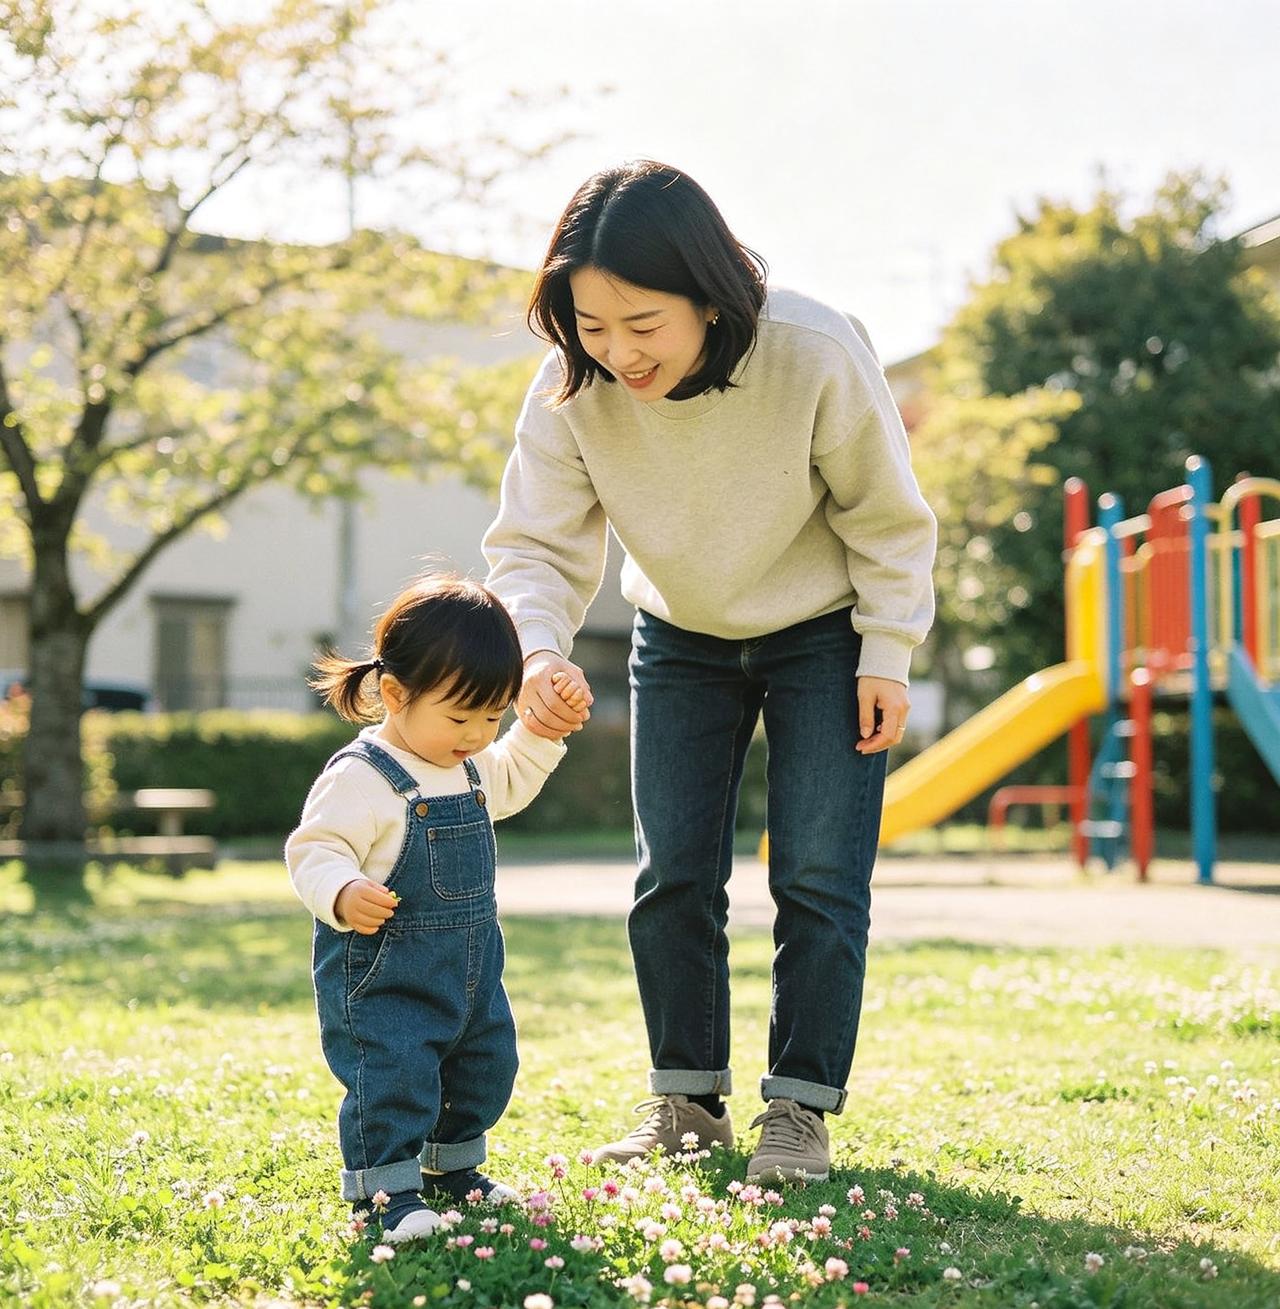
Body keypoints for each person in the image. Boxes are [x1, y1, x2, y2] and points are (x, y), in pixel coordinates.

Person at [483, 160, 936, 1184]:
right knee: (672, 874)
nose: (616, 351)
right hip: (677, 630)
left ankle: (798, 1111)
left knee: (817, 877)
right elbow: (535, 546)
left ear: (708, 290)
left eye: (640, 322)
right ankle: (684, 1106)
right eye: (590, 324)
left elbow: (884, 513)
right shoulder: (570, 386)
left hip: (821, 628)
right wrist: (541, 649)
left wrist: (887, 651)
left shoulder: (810, 347)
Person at [286, 576, 584, 1242]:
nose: (478, 734)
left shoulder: (469, 764)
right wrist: (339, 890)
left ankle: (453, 1171)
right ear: (395, 695)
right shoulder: (363, 774)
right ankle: (385, 1187)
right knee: (393, 1072)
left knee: (483, 1065)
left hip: (470, 971)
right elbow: (315, 847)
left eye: (493, 715)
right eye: (460, 716)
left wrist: (538, 730)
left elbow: (513, 776)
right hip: (385, 973)